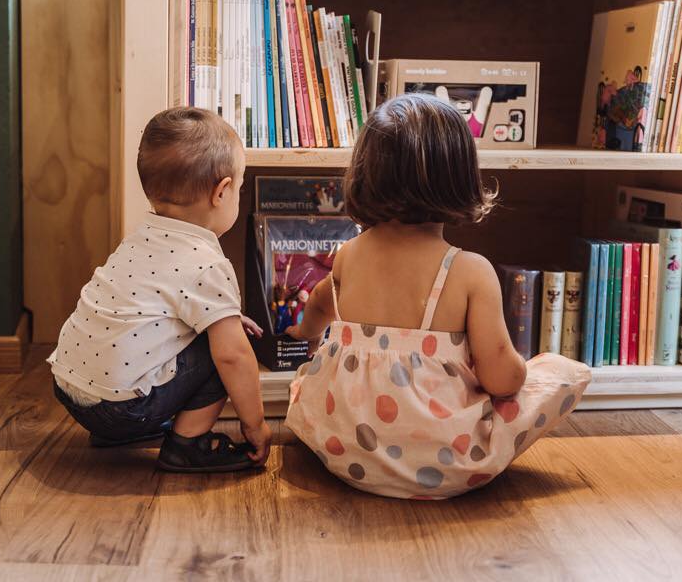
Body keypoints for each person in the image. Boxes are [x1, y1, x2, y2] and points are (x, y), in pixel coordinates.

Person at [284, 94, 590, 498]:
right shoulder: (469, 271)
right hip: (443, 460)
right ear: (461, 179)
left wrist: (303, 331)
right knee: (563, 373)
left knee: (307, 382)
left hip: (344, 449)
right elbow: (501, 379)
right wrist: (524, 370)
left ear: (364, 175)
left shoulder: (349, 255)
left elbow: (321, 302)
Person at [49, 107, 271, 473]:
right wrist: (256, 424)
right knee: (226, 353)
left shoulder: (141, 238)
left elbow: (151, 313)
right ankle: (186, 445)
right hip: (120, 408)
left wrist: (226, 319)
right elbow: (234, 358)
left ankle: (124, 432)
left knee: (223, 334)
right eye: (240, 186)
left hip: (72, 392)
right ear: (223, 192)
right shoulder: (208, 262)